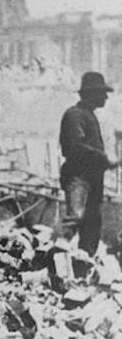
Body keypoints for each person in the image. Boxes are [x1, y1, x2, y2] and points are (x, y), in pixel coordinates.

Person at [59, 72, 117, 254]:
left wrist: (103, 161)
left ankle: (84, 268)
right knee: (74, 218)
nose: (106, 97)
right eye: (102, 92)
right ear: (91, 93)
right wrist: (104, 158)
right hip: (79, 178)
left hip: (92, 180)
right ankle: (52, 257)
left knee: (92, 224)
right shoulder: (74, 115)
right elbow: (75, 147)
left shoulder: (88, 115)